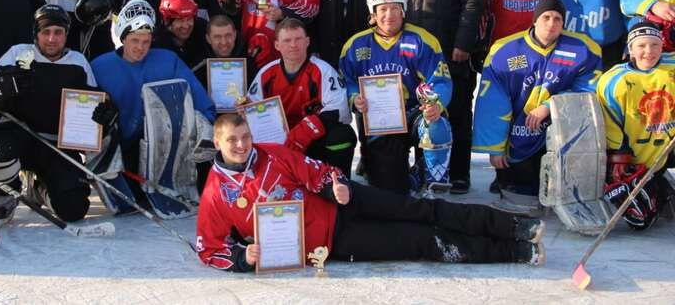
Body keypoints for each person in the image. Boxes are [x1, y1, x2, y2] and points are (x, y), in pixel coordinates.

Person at [196, 114, 546, 272]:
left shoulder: (273, 153)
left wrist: (335, 185)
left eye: (245, 136)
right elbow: (210, 248)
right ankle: (514, 251)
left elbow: (317, 172)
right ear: (218, 142)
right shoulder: (215, 194)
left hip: (347, 203)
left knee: (424, 210)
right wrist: (243, 258)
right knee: (422, 241)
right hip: (334, 243)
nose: (241, 145)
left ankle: (514, 226)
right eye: (232, 140)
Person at [472, 0, 602, 213]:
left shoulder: (582, 50)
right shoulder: (506, 51)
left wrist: (550, 105)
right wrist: (494, 148)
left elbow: (588, 91)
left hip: (560, 134)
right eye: (546, 17)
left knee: (558, 194)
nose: (551, 23)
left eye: (558, 19)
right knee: (521, 196)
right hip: (518, 135)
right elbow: (492, 103)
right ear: (534, 20)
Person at [0, 4, 98, 223]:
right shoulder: (18, 53)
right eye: (46, 32)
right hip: (18, 135)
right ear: (36, 33)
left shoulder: (77, 62)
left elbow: (92, 105)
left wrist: (104, 113)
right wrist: (1, 87)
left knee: (74, 209)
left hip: (56, 147)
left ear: (66, 34)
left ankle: (40, 191)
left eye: (58, 32)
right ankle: (8, 190)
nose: (52, 39)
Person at [396, 0, 483, 194]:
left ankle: (458, 173)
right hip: (417, 56)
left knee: (456, 111)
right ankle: (425, 169)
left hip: (451, 50)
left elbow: (473, 3)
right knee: (424, 113)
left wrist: (463, 43)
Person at [91, 0, 216, 196]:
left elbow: (197, 97)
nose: (140, 47)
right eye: (135, 40)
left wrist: (208, 124)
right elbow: (84, 112)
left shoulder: (167, 60)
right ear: (123, 38)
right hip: (122, 149)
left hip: (164, 150)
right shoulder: (99, 67)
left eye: (146, 42)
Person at [339, 0, 453, 194]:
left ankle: (435, 177)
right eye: (383, 9)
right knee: (389, 190)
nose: (389, 15)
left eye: (394, 8)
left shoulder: (422, 41)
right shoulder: (355, 45)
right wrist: (354, 97)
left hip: (415, 111)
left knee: (437, 126)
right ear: (373, 14)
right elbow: (346, 81)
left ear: (403, 11)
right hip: (381, 120)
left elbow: (440, 80)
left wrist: (436, 104)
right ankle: (413, 176)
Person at [247, 18, 356, 176]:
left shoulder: (323, 70)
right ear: (277, 45)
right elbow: (253, 111)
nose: (293, 45)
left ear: (307, 41)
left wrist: (306, 130)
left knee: (342, 135)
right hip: (280, 142)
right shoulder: (266, 73)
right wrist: (246, 109)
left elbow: (340, 111)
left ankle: (337, 183)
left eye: (298, 39)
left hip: (312, 139)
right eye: (287, 40)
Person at [596, 21, 675, 230]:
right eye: (641, 46)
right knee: (641, 220)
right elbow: (611, 122)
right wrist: (620, 154)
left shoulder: (671, 67)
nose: (649, 51)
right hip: (637, 156)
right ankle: (661, 186)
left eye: (655, 45)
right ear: (630, 49)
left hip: (669, 146)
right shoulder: (613, 80)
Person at [194, 14, 256, 93]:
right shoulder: (199, 66)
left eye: (228, 36)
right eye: (217, 37)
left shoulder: (249, 61)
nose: (224, 42)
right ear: (208, 39)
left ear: (235, 35)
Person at [152, 0, 207, 70]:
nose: (186, 26)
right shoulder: (156, 43)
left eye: (189, 19)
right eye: (180, 20)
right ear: (167, 21)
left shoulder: (204, 31)